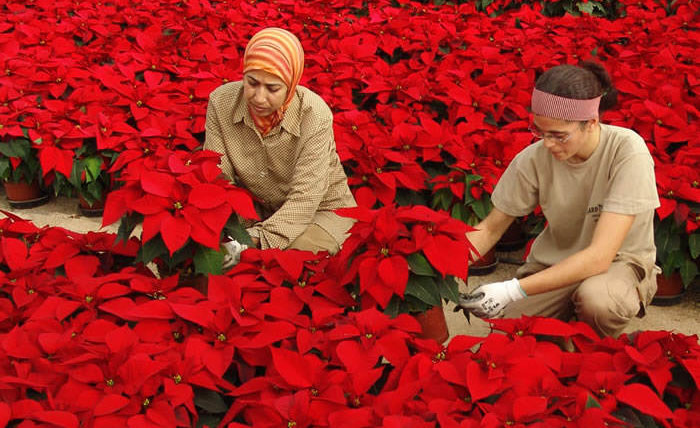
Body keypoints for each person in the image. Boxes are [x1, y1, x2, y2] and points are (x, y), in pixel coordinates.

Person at [458, 62, 660, 338]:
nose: (548, 144)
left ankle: (591, 348)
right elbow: (491, 228)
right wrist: (441, 266)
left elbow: (600, 256)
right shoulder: (533, 159)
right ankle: (566, 340)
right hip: (554, 266)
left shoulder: (627, 151)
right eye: (540, 132)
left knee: (599, 302)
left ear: (591, 123)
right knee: (510, 336)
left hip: (617, 264)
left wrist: (510, 289)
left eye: (559, 135)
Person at [203, 27, 356, 265]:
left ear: (291, 84)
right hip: (255, 212)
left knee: (285, 262)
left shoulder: (314, 115)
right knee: (207, 258)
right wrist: (236, 230)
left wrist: (252, 240)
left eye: (273, 88)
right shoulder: (221, 102)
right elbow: (217, 175)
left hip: (320, 211)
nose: (259, 97)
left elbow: (306, 198)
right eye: (251, 83)